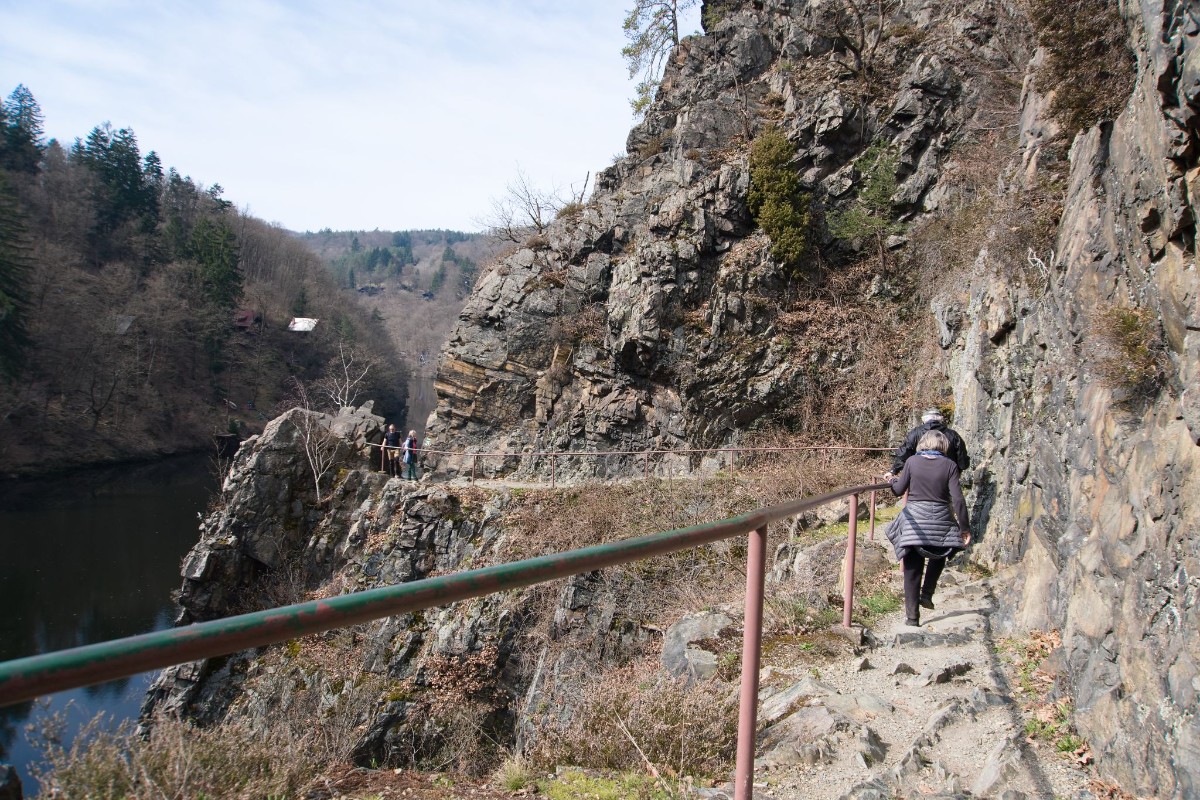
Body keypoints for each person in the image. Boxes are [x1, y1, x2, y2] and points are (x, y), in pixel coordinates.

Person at [884, 429, 972, 627]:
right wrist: (964, 528)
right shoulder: (950, 465)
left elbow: (898, 490)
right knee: (941, 551)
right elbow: (958, 499)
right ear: (944, 446)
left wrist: (892, 480)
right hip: (941, 518)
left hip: (915, 521)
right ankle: (927, 593)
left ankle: (912, 618)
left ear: (922, 443)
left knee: (912, 568)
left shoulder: (912, 462)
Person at [887, 408, 970, 477]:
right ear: (940, 419)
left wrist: (893, 470)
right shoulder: (953, 435)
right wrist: (957, 471)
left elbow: (904, 453)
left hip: (920, 476)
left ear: (924, 419)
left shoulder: (915, 433)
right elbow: (962, 460)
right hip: (946, 476)